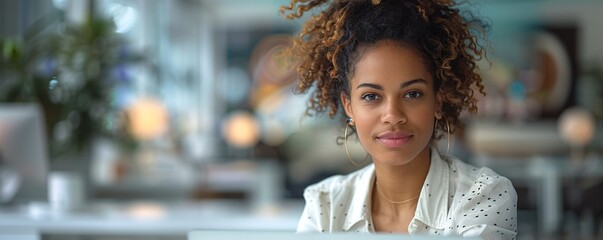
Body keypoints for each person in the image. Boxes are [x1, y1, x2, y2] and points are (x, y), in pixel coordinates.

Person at [280, 0, 517, 239]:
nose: (393, 115)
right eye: (371, 96)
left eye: (412, 94)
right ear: (348, 106)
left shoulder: (483, 195)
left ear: (438, 100)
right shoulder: (325, 205)